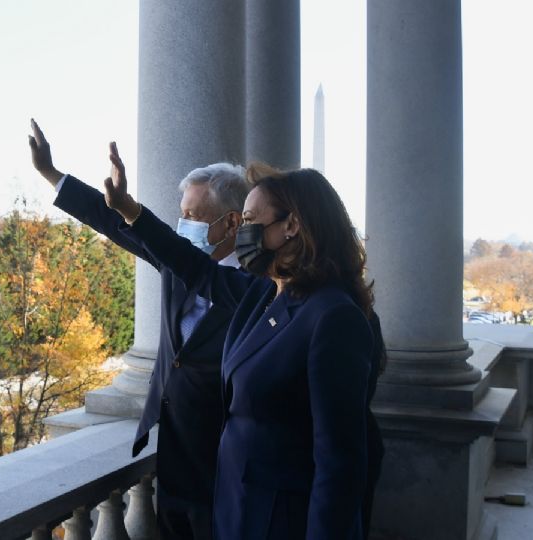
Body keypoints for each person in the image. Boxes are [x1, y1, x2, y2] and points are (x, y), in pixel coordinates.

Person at [103, 144, 377, 539]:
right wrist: (130, 210)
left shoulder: (333, 317)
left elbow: (339, 463)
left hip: (282, 521)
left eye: (249, 220)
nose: (241, 232)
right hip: (235, 508)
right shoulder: (264, 295)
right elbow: (191, 264)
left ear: (292, 226)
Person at [28, 120, 249, 540]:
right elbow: (111, 223)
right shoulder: (175, 266)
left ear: (232, 223)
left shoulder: (256, 288)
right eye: (180, 214)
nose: (182, 225)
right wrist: (51, 175)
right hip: (174, 456)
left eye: (192, 216)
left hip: (229, 461)